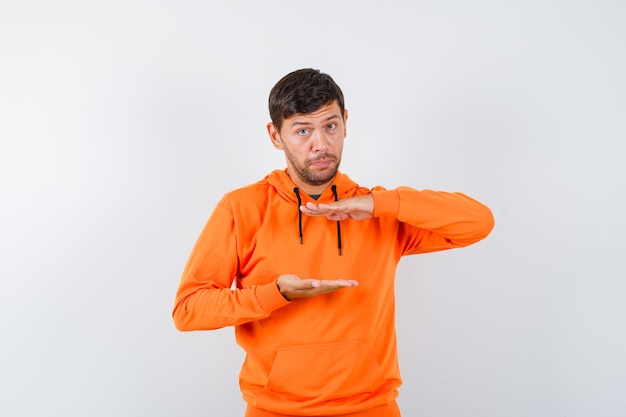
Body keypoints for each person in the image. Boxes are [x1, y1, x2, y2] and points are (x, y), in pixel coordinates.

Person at [172, 68, 494, 417]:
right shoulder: (242, 208)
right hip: (274, 411)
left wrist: (378, 204)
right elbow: (188, 309)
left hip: (372, 408)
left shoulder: (378, 212)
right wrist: (275, 294)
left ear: (345, 123)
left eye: (330, 126)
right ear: (275, 136)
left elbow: (478, 222)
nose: (320, 145)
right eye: (302, 131)